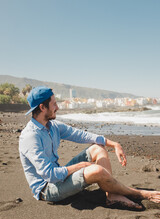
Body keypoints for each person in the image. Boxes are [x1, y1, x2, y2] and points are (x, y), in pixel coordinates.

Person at [19, 86, 160, 210]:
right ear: (43, 108)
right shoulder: (30, 137)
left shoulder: (52, 127)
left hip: (58, 178)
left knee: (98, 148)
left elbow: (81, 135)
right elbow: (50, 175)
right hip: (47, 189)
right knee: (96, 170)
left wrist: (114, 144)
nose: (58, 107)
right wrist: (81, 166)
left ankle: (112, 195)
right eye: (54, 104)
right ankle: (140, 193)